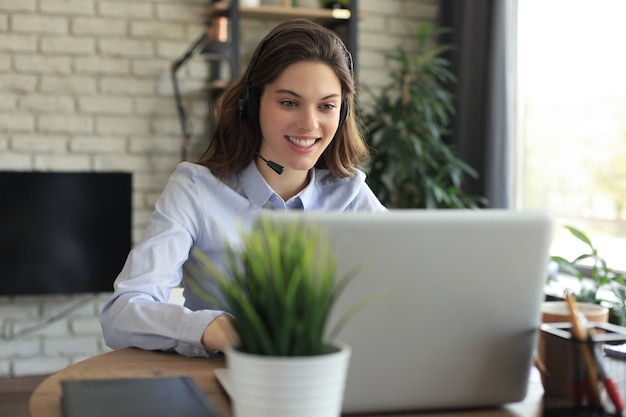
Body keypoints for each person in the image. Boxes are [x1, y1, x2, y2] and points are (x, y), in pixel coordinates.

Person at [100, 19, 387, 358]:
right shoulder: (195, 189)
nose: (310, 124)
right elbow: (123, 313)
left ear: (342, 113)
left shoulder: (351, 194)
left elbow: (408, 288)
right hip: (227, 380)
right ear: (252, 106)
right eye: (289, 102)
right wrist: (215, 329)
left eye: (326, 106)